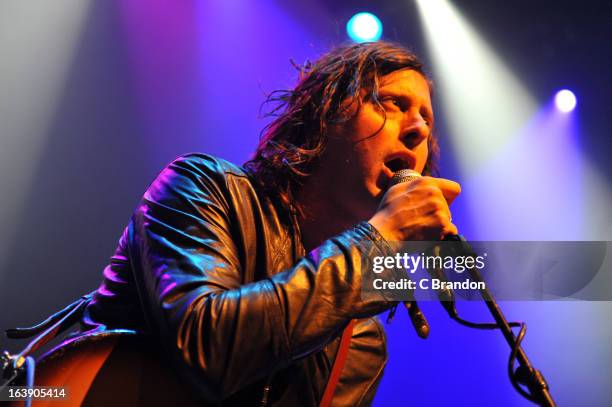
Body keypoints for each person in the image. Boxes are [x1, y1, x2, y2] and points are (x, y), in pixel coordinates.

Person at [58, 41, 460, 405]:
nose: (419, 128)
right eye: (392, 103)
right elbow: (207, 348)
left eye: (426, 118)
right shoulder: (204, 188)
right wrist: (380, 239)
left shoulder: (361, 343)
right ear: (326, 117)